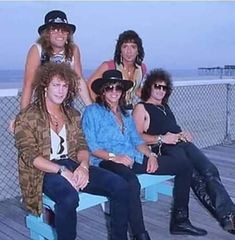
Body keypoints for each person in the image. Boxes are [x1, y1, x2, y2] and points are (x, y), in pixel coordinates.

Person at [82, 69, 207, 239]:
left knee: (184, 166)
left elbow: (138, 141)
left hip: (134, 158)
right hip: (106, 161)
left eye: (117, 88)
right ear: (102, 90)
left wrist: (150, 155)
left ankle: (180, 220)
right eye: (109, 88)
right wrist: (115, 157)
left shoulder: (125, 114)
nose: (114, 92)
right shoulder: (92, 112)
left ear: (122, 91)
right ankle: (140, 234)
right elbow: (92, 147)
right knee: (131, 182)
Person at [14, 63, 130, 240]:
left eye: (65, 86)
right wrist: (62, 171)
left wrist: (83, 166)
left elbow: (81, 146)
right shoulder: (27, 116)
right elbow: (29, 155)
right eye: (56, 85)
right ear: (45, 86)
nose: (61, 91)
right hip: (43, 171)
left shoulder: (72, 114)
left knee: (120, 186)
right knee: (69, 198)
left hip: (72, 163)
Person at [132, 68, 235, 234]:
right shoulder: (142, 108)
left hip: (181, 143)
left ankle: (227, 218)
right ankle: (227, 217)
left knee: (209, 170)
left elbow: (171, 129)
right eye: (157, 86)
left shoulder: (165, 107)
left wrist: (182, 133)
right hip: (163, 148)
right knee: (192, 174)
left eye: (164, 88)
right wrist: (161, 139)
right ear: (149, 87)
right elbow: (135, 137)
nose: (160, 90)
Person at [20, 10, 92, 109]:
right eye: (54, 30)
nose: (60, 34)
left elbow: (79, 79)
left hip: (66, 104)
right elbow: (28, 84)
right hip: (43, 105)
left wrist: (91, 107)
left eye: (64, 30)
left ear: (68, 34)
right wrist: (23, 115)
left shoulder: (73, 50)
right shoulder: (37, 49)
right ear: (47, 34)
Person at [87, 30, 147, 109]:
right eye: (125, 46)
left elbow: (136, 88)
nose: (129, 51)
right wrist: (99, 107)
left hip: (127, 110)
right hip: (110, 109)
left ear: (138, 50)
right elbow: (89, 84)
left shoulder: (142, 68)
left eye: (133, 47)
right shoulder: (109, 66)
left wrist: (152, 99)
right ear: (120, 51)